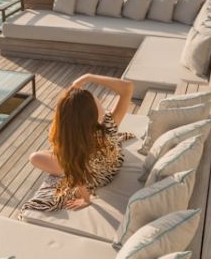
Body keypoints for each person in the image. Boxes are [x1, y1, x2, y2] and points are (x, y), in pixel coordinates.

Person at [22, 73, 134, 213]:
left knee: (35, 157)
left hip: (96, 178)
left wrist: (86, 199)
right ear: (92, 114)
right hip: (114, 164)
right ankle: (81, 105)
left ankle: (56, 152)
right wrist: (88, 77)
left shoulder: (71, 145)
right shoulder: (109, 125)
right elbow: (127, 87)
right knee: (86, 96)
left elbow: (77, 174)